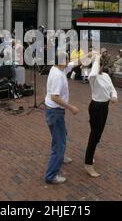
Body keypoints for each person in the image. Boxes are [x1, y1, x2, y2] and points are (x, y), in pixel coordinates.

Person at [44, 52, 80, 185]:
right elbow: (55, 97)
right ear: (61, 61)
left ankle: (61, 157)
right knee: (59, 143)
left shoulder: (59, 68)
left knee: (61, 134)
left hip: (54, 112)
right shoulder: (58, 75)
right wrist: (71, 107)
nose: (69, 61)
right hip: (55, 112)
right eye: (67, 59)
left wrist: (91, 54)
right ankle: (51, 176)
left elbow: (76, 62)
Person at [85, 52, 118, 178]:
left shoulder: (105, 76)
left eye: (100, 65)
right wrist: (96, 58)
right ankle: (88, 164)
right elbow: (93, 73)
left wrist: (114, 96)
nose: (99, 67)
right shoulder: (92, 77)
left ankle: (90, 155)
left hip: (105, 107)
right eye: (97, 65)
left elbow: (112, 89)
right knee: (94, 135)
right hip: (96, 107)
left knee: (98, 135)